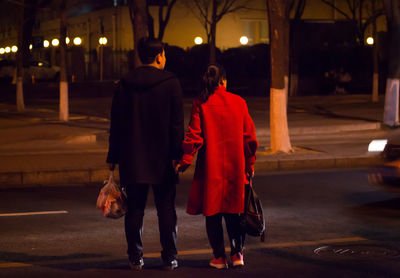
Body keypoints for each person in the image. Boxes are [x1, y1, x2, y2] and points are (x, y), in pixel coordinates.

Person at [106, 37, 184, 271]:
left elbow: (116, 123)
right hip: (162, 159)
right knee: (166, 208)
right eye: (164, 54)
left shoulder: (124, 84)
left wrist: (113, 157)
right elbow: (177, 125)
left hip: (132, 157)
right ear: (159, 56)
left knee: (135, 209)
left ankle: (135, 257)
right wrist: (177, 155)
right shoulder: (171, 83)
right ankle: (170, 257)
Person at [176, 64, 258, 269]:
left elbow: (194, 135)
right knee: (234, 211)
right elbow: (249, 137)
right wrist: (250, 163)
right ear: (222, 81)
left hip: (210, 168)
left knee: (212, 213)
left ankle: (219, 257)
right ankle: (237, 254)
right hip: (235, 167)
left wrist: (185, 160)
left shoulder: (201, 103)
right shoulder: (239, 102)